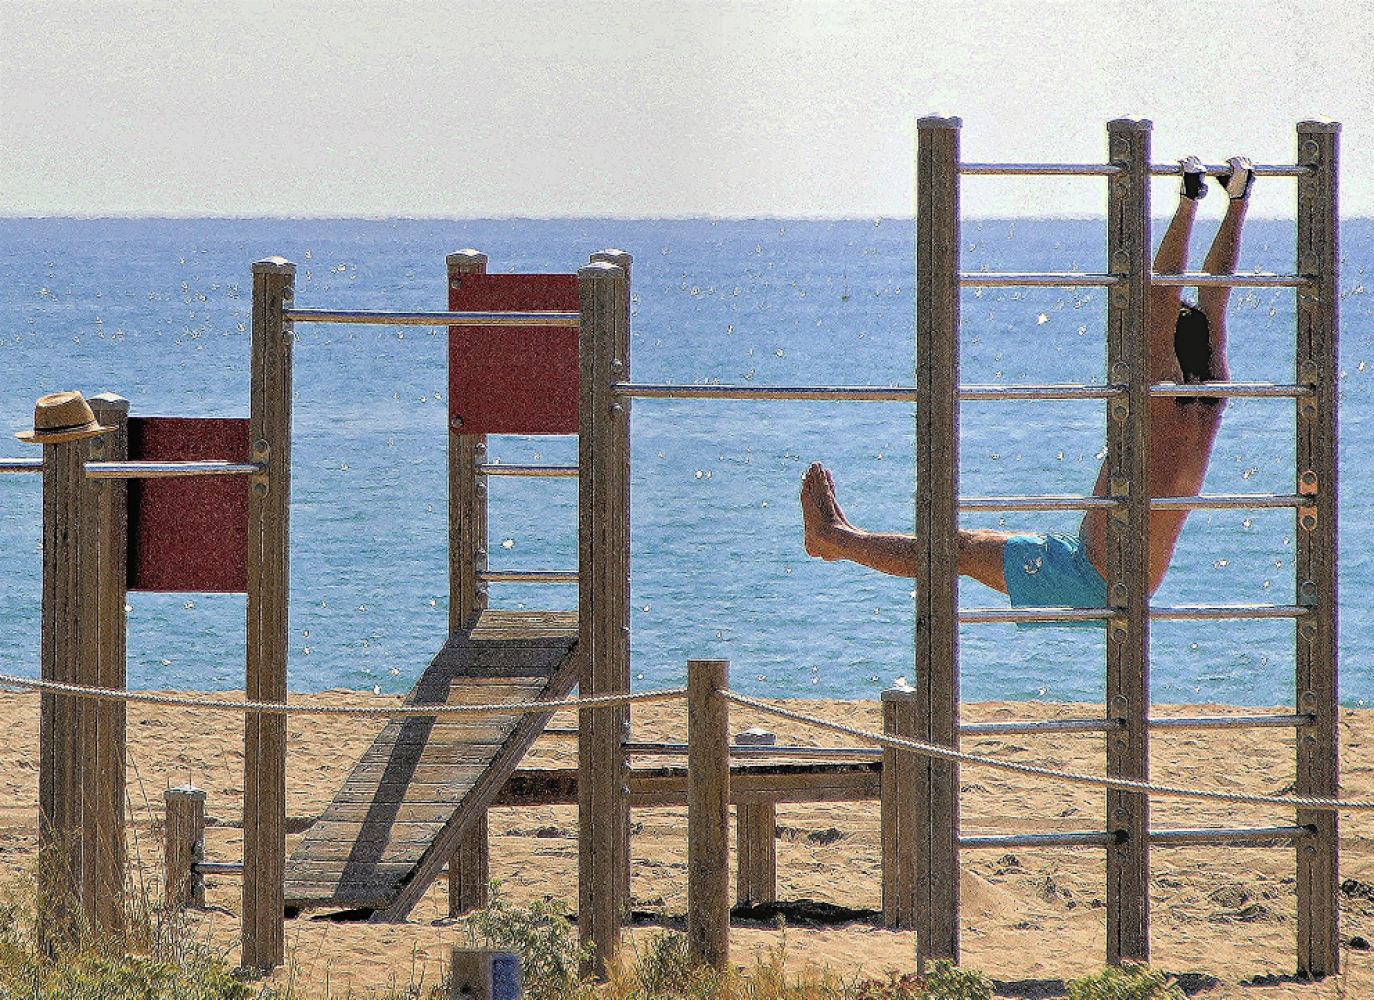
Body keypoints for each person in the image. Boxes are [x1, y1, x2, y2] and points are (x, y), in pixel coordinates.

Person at [800, 156, 1254, 611]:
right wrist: (1235, 202)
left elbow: (1161, 295)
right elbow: (1216, 293)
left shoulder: (1160, 393)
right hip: (1111, 569)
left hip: (1092, 575)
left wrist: (1188, 202)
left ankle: (833, 540)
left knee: (953, 549)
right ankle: (842, 536)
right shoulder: (1211, 396)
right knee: (967, 543)